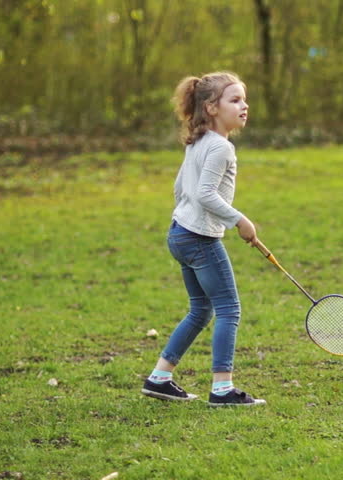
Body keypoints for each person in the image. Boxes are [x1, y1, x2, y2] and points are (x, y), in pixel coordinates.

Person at [141, 71, 266, 406]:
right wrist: (239, 220)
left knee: (201, 310)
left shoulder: (197, 142)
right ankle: (222, 389)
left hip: (179, 234)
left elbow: (181, 189)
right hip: (198, 239)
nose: (244, 106)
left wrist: (188, 218)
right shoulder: (221, 148)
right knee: (229, 309)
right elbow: (204, 194)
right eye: (235, 99)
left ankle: (160, 378)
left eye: (244, 99)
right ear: (211, 107)